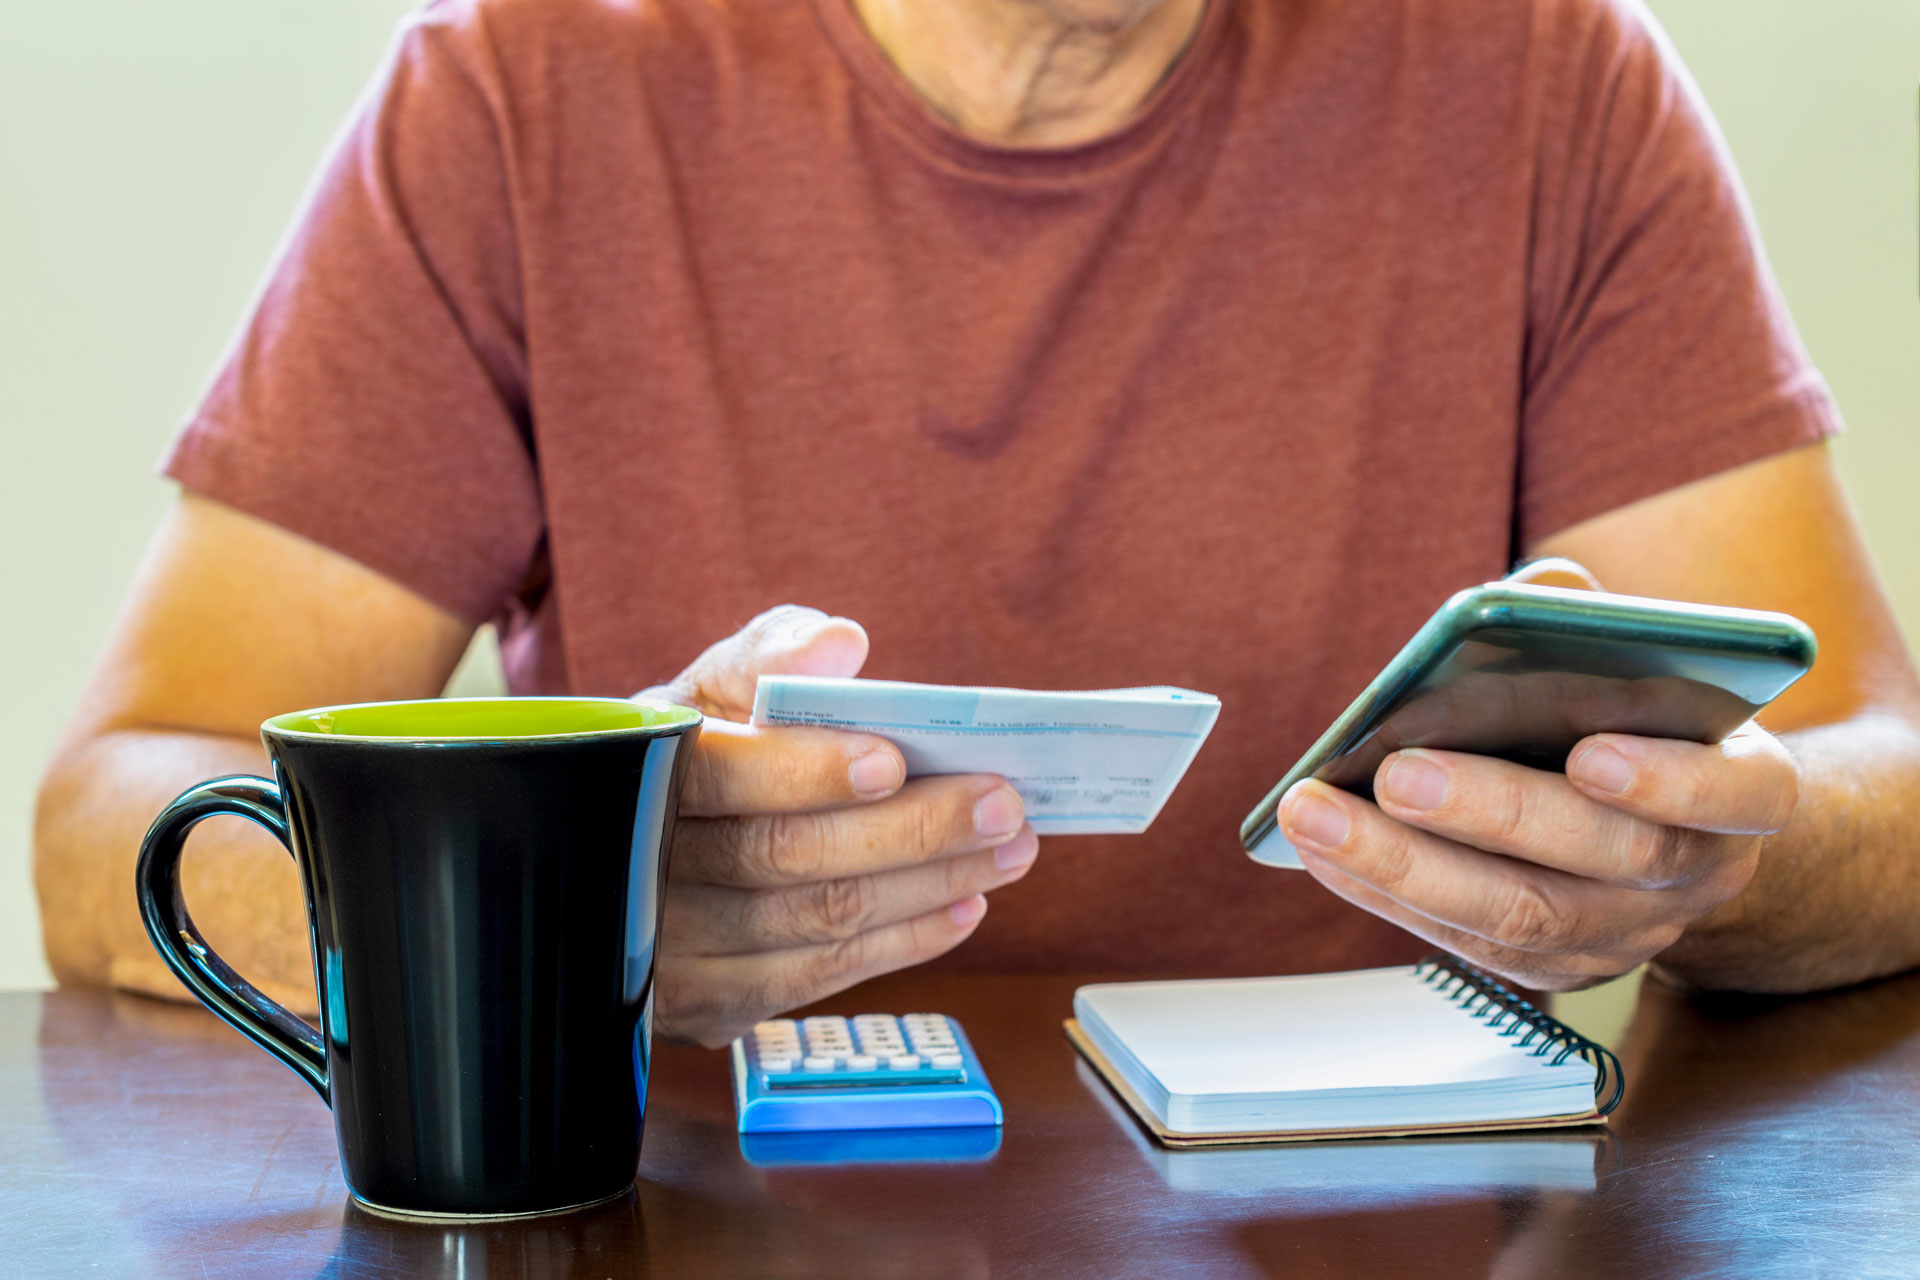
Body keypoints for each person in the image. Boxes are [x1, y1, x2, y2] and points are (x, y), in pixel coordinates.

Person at [33, 0, 1920, 1049]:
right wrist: (551, 926)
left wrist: (1722, 865)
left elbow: (1878, 780)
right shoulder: (520, 90)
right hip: (689, 1223)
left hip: (1364, 1214)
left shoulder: (1549, 77)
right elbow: (120, 811)